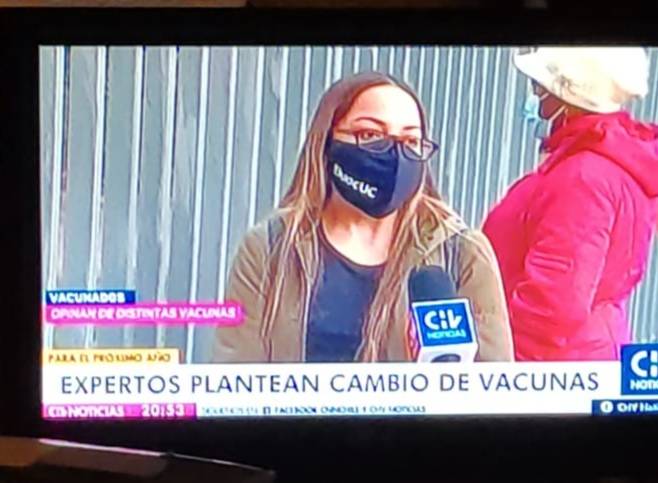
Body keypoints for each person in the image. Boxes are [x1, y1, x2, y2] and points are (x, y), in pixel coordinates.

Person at [214, 71, 513, 363]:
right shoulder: (268, 248)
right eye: (370, 135)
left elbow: (494, 384)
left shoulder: (461, 253)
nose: (394, 154)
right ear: (327, 142)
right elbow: (233, 376)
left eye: (410, 140)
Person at [483, 47, 658, 361]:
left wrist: (511, 377)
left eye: (540, 88)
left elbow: (551, 308)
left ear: (567, 100)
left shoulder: (583, 177)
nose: (534, 97)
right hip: (583, 359)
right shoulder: (608, 162)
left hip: (556, 371)